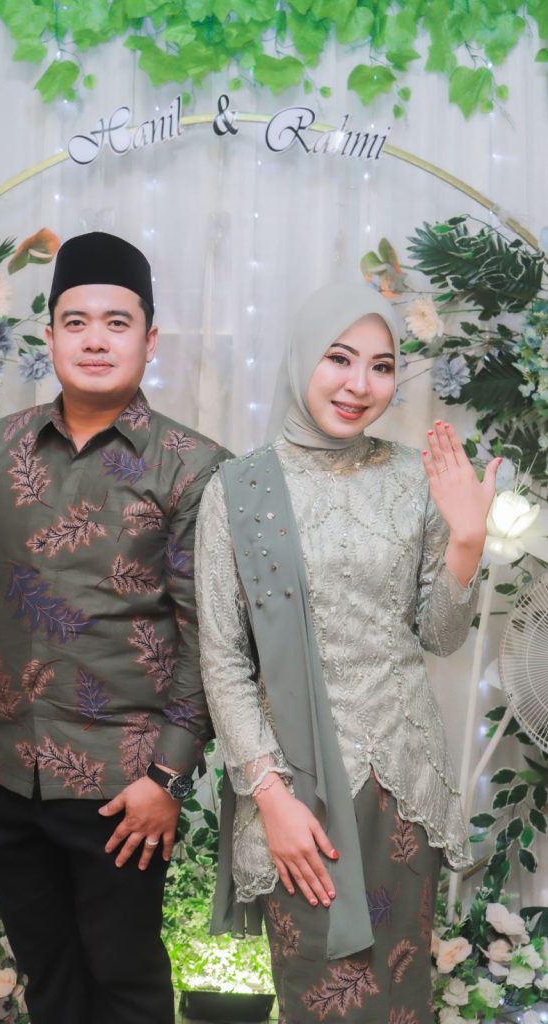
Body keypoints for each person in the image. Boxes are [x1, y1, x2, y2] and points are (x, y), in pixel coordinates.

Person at [0, 231, 229, 1024]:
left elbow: (210, 638)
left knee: (125, 981)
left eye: (116, 322)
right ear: (50, 335)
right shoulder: (0, 449)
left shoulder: (193, 466)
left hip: (121, 787)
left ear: (149, 339)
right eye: (76, 321)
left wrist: (166, 779)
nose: (95, 339)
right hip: (6, 767)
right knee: (49, 980)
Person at [195, 283, 500, 1023]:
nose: (359, 384)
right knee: (319, 995)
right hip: (295, 790)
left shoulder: (415, 479)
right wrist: (271, 799)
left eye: (381, 366)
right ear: (303, 357)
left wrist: (466, 541)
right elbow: (223, 660)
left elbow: (439, 636)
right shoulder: (239, 489)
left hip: (402, 778)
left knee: (400, 998)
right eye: (338, 358)